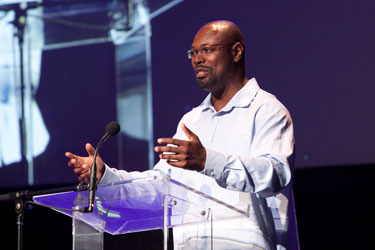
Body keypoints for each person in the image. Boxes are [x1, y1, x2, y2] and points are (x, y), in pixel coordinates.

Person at [66, 20, 299, 250]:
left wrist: (208, 161)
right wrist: (106, 176)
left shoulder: (267, 110)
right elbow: (161, 187)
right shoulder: (192, 121)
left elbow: (274, 174)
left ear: (236, 52)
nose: (197, 59)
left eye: (207, 50)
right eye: (194, 53)